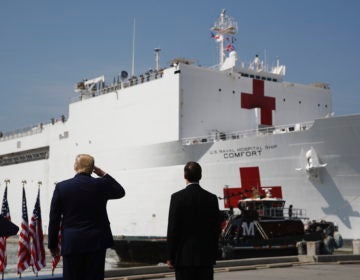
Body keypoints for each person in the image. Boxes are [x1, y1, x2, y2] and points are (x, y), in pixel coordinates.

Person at [48, 154, 125, 280]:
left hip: (72, 242)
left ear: (75, 166)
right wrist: (103, 174)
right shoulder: (101, 184)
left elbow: (54, 219)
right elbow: (120, 192)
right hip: (97, 242)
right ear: (92, 168)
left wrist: (53, 245)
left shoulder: (62, 187)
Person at [166, 162, 221, 280]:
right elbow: (216, 228)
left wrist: (170, 256)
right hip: (205, 257)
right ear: (200, 176)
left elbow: (173, 229)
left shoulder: (177, 197)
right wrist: (213, 254)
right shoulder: (211, 198)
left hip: (183, 258)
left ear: (185, 176)